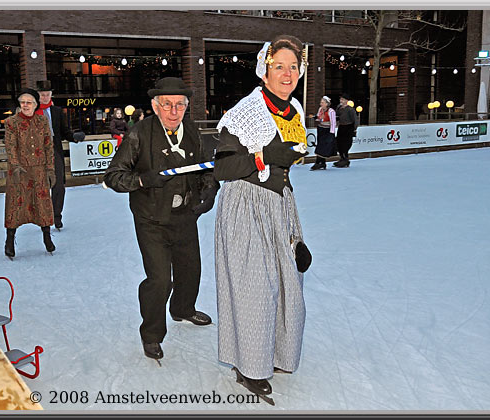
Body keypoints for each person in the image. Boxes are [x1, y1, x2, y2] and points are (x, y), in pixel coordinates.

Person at [213, 35, 311, 404]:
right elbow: (222, 168)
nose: (287, 73)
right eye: (279, 66)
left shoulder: (295, 110)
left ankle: (278, 354)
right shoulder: (246, 112)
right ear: (264, 69)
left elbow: (291, 158)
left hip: (280, 203)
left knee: (288, 283)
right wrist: (263, 156)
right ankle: (249, 366)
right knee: (255, 288)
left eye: (293, 66)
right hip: (245, 204)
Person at [103, 77, 219, 362]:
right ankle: (152, 334)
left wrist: (209, 190)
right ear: (155, 106)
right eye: (166, 104)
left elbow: (207, 170)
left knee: (190, 269)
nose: (173, 110)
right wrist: (143, 180)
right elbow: (113, 177)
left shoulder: (192, 132)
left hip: (184, 214)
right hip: (151, 218)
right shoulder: (140, 134)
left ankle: (182, 309)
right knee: (159, 280)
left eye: (179, 105)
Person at [3, 88, 56, 258]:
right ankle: (10, 240)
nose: (25, 105)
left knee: (42, 205)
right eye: (22, 102)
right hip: (19, 171)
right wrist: (15, 165)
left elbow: (48, 146)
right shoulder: (11, 122)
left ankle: (47, 237)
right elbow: (10, 146)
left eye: (29, 102)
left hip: (39, 170)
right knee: (15, 205)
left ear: (35, 104)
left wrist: (50, 169)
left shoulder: (42, 121)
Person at [35, 80, 85, 230]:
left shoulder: (57, 112)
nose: (45, 97)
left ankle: (56, 216)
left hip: (54, 151)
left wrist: (75, 137)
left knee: (58, 186)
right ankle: (43, 216)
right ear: (38, 96)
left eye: (47, 94)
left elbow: (65, 132)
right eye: (42, 95)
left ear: (51, 95)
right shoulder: (32, 112)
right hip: (36, 154)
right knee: (41, 187)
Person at [310, 95, 337, 170]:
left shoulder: (331, 111)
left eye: (322, 102)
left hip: (327, 130)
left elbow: (333, 123)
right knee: (321, 146)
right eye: (321, 102)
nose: (321, 104)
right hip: (321, 129)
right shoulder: (320, 109)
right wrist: (316, 117)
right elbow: (319, 118)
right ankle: (322, 163)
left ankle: (318, 163)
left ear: (327, 103)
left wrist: (332, 133)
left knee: (321, 147)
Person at [334, 92, 357, 167]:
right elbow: (336, 115)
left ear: (347, 101)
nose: (341, 101)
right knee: (339, 143)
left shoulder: (350, 109)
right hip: (341, 127)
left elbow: (355, 120)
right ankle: (342, 158)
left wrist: (354, 129)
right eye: (340, 99)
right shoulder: (339, 108)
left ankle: (345, 159)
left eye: (342, 99)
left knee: (346, 144)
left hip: (348, 127)